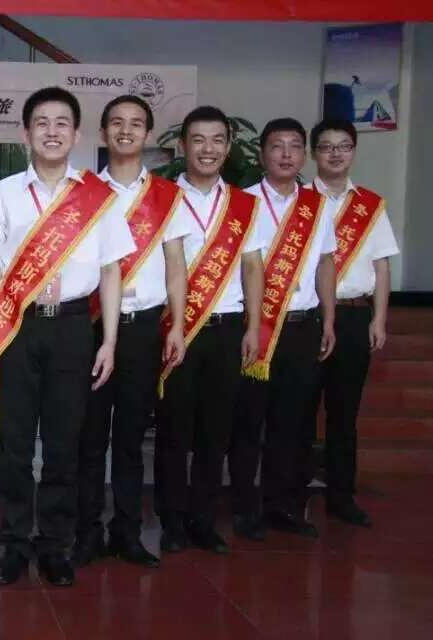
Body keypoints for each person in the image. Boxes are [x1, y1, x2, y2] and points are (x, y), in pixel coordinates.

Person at [0, 86, 136, 587]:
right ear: (26, 134)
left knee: (65, 442)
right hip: (17, 328)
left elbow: (111, 272)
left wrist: (109, 341)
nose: (51, 131)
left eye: (61, 123)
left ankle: (54, 546)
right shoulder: (4, 193)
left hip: (72, 327)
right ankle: (15, 544)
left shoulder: (97, 197)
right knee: (15, 444)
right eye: (41, 123)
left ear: (77, 134)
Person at [73, 95, 189, 569]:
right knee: (89, 435)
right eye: (117, 123)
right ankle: (86, 532)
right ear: (103, 133)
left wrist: (178, 324)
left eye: (136, 123)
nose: (126, 130)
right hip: (90, 326)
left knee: (130, 435)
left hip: (143, 328)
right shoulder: (82, 191)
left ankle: (127, 532)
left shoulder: (167, 196)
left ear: (148, 134)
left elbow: (176, 265)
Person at [153, 106, 265, 556]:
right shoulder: (160, 197)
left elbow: (253, 267)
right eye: (198, 140)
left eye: (217, 140)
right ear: (183, 145)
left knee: (215, 431)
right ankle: (171, 521)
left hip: (226, 328)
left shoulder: (244, 204)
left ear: (229, 146)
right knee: (173, 430)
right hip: (175, 329)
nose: (208, 149)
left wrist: (253, 326)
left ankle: (202, 519)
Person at [229, 118, 337, 541]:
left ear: (304, 154)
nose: (286, 154)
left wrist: (329, 318)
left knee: (291, 422)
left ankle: (283, 506)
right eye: (277, 146)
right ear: (262, 154)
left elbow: (326, 263)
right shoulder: (243, 203)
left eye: (295, 146)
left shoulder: (317, 206)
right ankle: (244, 508)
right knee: (249, 421)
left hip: (302, 326)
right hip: (256, 327)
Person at [305, 118, 399, 527]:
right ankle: (290, 496)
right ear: (314, 153)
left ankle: (342, 497)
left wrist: (379, 318)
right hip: (308, 317)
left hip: (355, 315)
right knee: (300, 410)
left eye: (343, 146)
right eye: (327, 147)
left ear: (353, 152)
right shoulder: (299, 201)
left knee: (344, 413)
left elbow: (381, 266)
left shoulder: (370, 205)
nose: (335, 154)